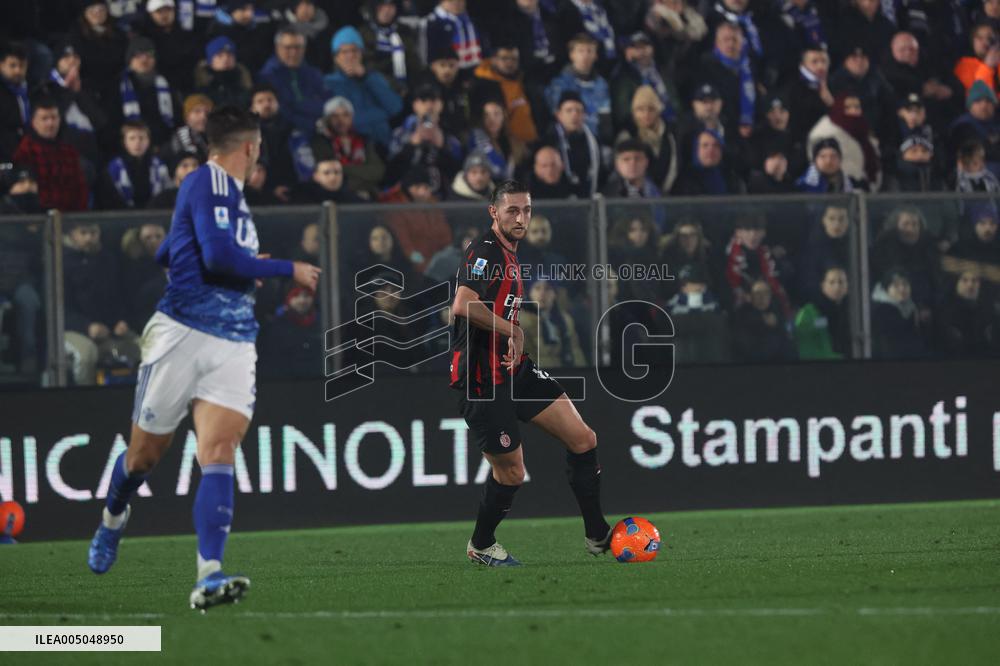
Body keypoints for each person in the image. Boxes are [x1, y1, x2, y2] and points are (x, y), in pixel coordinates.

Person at [86, 106, 322, 611]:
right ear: (250, 148)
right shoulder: (207, 181)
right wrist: (286, 268)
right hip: (182, 334)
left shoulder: (228, 196)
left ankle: (209, 574)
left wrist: (227, 261)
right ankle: (113, 517)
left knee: (219, 450)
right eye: (259, 148)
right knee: (143, 457)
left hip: (233, 341)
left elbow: (171, 252)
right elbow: (215, 257)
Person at [450, 179, 612, 566]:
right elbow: (463, 305)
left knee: (583, 438)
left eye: (526, 210)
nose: (521, 218)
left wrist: (511, 335)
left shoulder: (509, 251)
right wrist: (515, 330)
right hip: (481, 379)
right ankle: (481, 544)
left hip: (514, 369)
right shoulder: (486, 251)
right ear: (494, 212)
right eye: (512, 210)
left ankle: (597, 534)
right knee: (511, 473)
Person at [323, 25, 403, 150]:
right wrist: (381, 114)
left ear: (361, 54)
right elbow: (343, 121)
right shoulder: (329, 83)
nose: (350, 56)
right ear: (336, 58)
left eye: (355, 50)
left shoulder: (374, 77)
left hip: (384, 144)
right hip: (352, 147)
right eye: (344, 52)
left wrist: (366, 77)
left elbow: (395, 107)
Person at [12, 100, 89, 212]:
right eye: (44, 119)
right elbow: (28, 195)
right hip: (39, 217)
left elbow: (81, 191)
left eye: (54, 118)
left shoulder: (69, 152)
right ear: (34, 122)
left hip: (71, 216)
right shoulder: (25, 152)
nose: (50, 123)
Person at [310, 96, 385, 200]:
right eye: (335, 116)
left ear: (351, 117)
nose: (341, 120)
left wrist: (342, 168)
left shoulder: (363, 140)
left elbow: (378, 171)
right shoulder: (320, 142)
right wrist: (365, 177)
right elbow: (330, 179)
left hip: (367, 198)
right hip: (336, 199)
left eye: (345, 115)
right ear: (327, 119)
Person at [544, 33, 613, 145]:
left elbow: (605, 117)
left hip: (594, 140)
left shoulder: (601, 84)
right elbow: (556, 118)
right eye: (580, 51)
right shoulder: (559, 84)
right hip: (567, 140)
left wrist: (606, 142)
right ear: (572, 55)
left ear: (595, 55)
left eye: (589, 51)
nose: (585, 55)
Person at [258, 26, 326, 136]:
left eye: (298, 47)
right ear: (278, 48)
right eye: (288, 48)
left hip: (319, 129)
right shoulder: (268, 76)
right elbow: (283, 111)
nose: (293, 53)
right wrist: (312, 124)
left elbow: (326, 102)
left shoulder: (313, 73)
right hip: (286, 134)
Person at [471, 43, 542, 145]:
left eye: (514, 59)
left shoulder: (525, 80)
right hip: (504, 146)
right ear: (494, 60)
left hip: (533, 142)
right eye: (504, 58)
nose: (509, 63)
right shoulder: (483, 86)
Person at [807, 93, 881, 191]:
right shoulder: (824, 131)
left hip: (863, 187)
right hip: (833, 188)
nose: (853, 111)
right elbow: (817, 162)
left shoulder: (863, 129)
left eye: (857, 107)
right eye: (847, 107)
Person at [115, 36, 179, 146]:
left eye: (149, 55)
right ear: (130, 60)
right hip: (130, 145)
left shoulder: (166, 84)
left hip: (163, 142)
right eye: (138, 55)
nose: (144, 60)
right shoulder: (119, 86)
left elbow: (175, 116)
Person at [615, 85, 679, 193]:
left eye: (651, 109)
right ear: (634, 112)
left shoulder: (671, 135)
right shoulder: (627, 136)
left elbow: (674, 164)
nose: (646, 114)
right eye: (640, 109)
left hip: (670, 194)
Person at [100, 120, 172, 209]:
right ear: (124, 142)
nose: (137, 142)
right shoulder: (113, 168)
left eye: (141, 138)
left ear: (148, 140)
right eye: (132, 138)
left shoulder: (160, 166)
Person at [542, 91, 602, 198]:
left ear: (584, 115)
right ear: (558, 115)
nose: (574, 115)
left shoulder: (594, 141)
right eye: (569, 110)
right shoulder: (548, 140)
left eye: (579, 111)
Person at [518, 279, 587, 368]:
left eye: (547, 289)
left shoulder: (565, 320)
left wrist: (582, 373)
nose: (542, 293)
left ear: (555, 294)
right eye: (537, 288)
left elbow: (575, 351)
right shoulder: (520, 321)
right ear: (529, 293)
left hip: (564, 373)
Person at [359, 0, 420, 97]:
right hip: (376, 90)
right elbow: (369, 67)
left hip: (408, 89)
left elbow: (414, 63)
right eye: (381, 6)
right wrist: (395, 86)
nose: (386, 10)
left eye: (391, 6)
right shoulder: (363, 34)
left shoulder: (405, 31)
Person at [731, 278, 797, 362]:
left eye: (766, 293)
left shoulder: (776, 313)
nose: (762, 297)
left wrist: (776, 325)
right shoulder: (741, 317)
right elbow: (749, 350)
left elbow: (788, 345)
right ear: (750, 297)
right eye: (757, 294)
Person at [794, 265, 850, 359]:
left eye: (841, 282)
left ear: (847, 286)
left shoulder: (856, 311)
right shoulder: (809, 310)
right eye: (831, 282)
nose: (837, 287)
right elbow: (804, 333)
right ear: (823, 286)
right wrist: (825, 322)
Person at [467, 99, 527, 181]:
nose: (492, 119)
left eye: (496, 114)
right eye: (486, 115)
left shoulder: (515, 141)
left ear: (503, 116)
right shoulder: (476, 140)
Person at [871, 268, 925, 359]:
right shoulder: (882, 310)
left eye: (905, 284)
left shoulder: (911, 306)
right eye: (896, 285)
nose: (902, 289)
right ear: (886, 289)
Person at [194, 36, 254, 110]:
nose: (226, 59)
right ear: (210, 60)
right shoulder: (202, 87)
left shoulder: (244, 85)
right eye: (220, 55)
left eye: (230, 54)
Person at [424, 0, 484, 71]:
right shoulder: (431, 22)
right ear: (441, 2)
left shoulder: (472, 17)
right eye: (450, 1)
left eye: (460, 0)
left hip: (477, 67)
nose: (456, 3)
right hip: (448, 71)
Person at [0, 43, 31, 161]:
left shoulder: (33, 90)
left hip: (30, 150)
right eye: (12, 65)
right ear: (1, 65)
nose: (18, 70)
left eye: (21, 65)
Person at [162, 94, 212, 164]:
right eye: (197, 111)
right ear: (187, 116)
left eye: (207, 113)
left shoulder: (206, 136)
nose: (203, 117)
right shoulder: (183, 134)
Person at [288, 158, 363, 204]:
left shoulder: (355, 201)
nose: (333, 177)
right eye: (326, 173)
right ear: (316, 176)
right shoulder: (302, 200)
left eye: (337, 172)